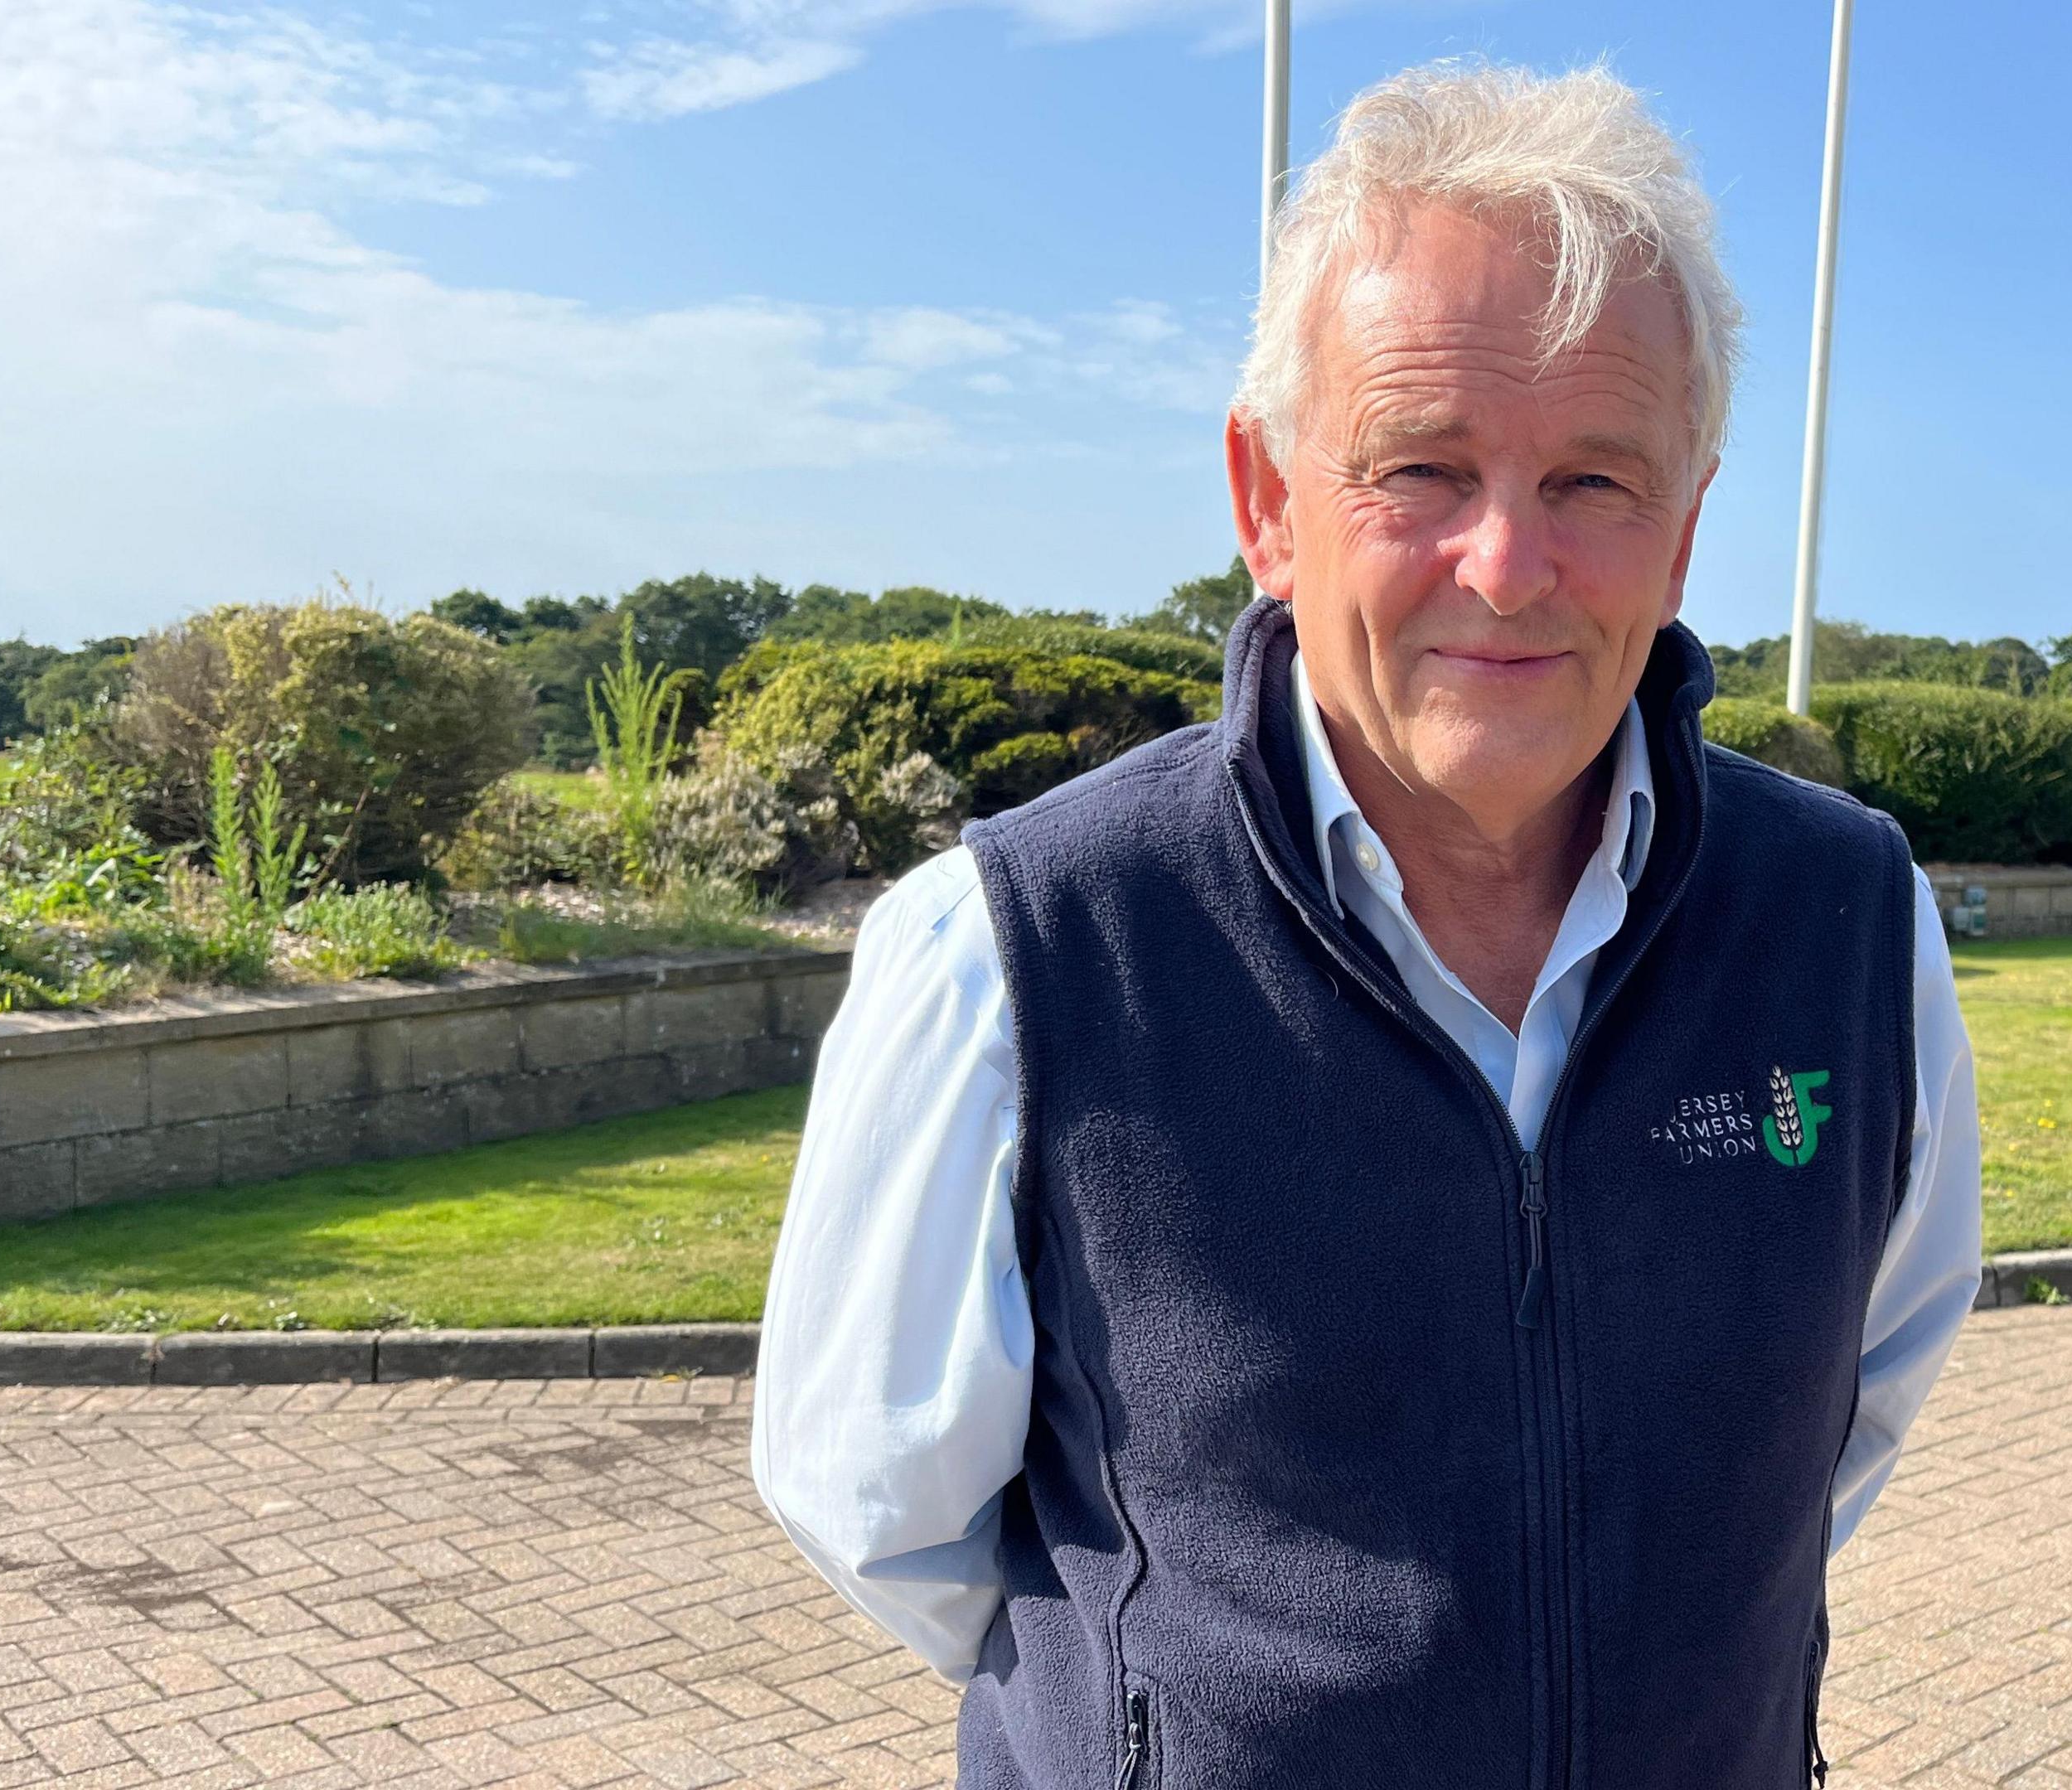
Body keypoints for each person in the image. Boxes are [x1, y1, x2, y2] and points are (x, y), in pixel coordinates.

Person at [753, 60, 1982, 1788]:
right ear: (1266, 500)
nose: (1506, 564)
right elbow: (877, 1498)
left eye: (1595, 482)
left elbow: (1842, 1429)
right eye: (1422, 466)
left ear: (1688, 527)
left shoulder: (1850, 929)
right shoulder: (1021, 947)